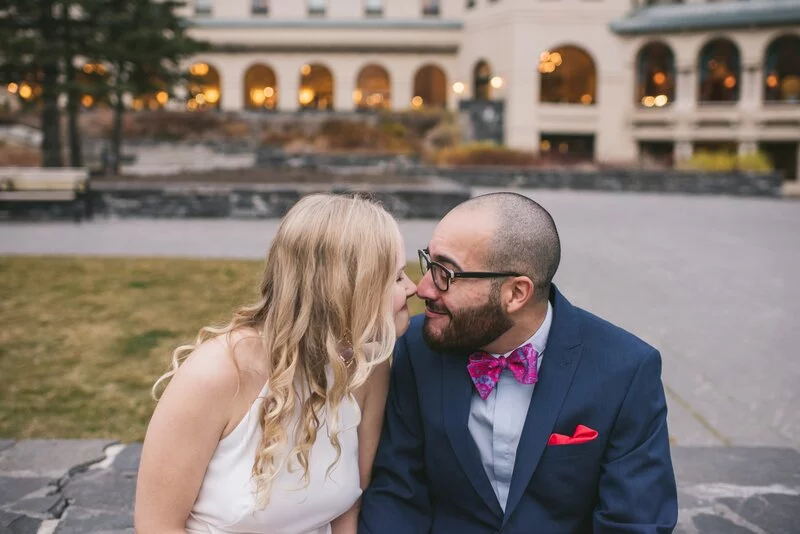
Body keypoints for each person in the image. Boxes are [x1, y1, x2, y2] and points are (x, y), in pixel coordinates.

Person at [359, 192, 678, 533]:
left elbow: (634, 521)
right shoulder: (417, 348)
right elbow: (398, 491)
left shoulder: (625, 369)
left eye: (446, 274)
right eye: (428, 262)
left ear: (515, 293)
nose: (423, 288)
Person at [135, 193, 417, 534]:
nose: (414, 288)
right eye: (398, 278)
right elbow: (157, 525)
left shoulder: (368, 369)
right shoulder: (218, 375)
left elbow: (349, 509)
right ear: (349, 289)